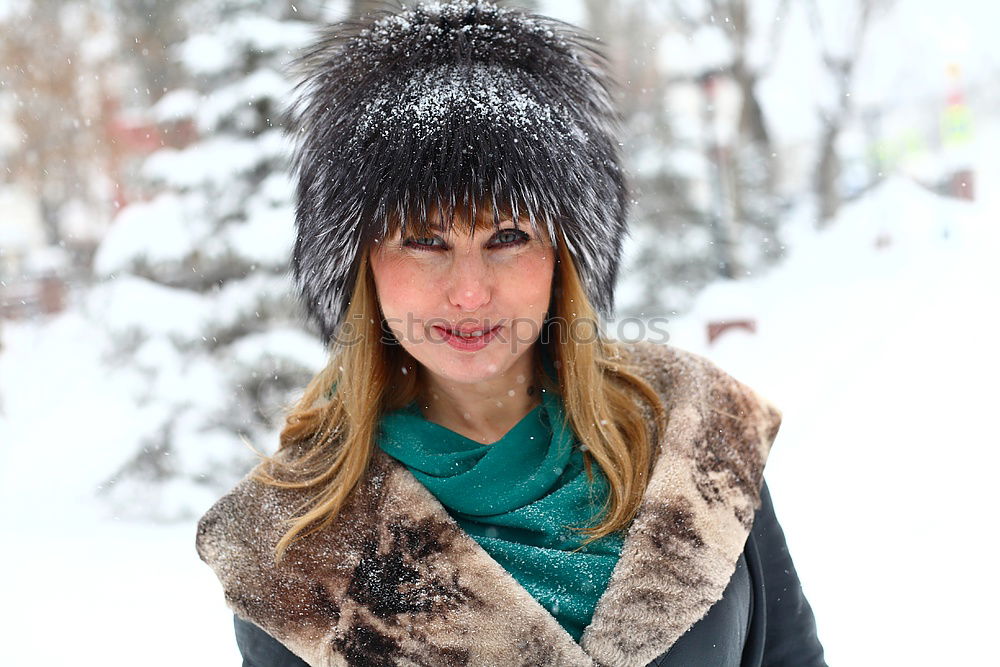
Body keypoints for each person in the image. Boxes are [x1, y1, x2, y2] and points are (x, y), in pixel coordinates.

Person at [196, 2, 826, 665]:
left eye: (507, 236)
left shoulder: (695, 436)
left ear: (561, 256)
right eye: (425, 240)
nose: (470, 292)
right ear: (363, 263)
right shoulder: (297, 551)